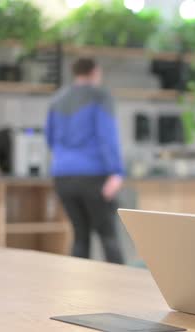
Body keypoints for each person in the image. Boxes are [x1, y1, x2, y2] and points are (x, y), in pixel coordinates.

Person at [46, 58, 125, 264]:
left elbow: (50, 138)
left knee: (80, 235)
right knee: (108, 236)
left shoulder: (57, 99)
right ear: (95, 71)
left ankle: (78, 293)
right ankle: (123, 291)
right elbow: (107, 136)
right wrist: (116, 172)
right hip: (93, 176)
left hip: (62, 176)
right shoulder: (99, 96)